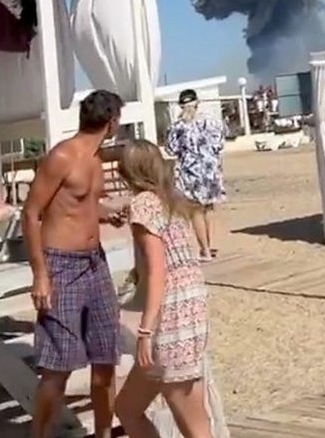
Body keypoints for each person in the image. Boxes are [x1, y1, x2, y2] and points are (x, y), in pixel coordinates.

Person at [22, 89, 126, 438]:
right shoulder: (63, 157)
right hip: (61, 267)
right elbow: (32, 213)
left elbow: (79, 207)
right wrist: (40, 274)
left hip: (95, 266)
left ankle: (103, 434)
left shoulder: (95, 161)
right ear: (112, 123)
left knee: (105, 359)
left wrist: (107, 214)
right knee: (58, 366)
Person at [113, 139, 221, 438]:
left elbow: (158, 268)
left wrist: (145, 331)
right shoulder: (167, 198)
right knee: (128, 408)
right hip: (191, 296)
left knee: (192, 423)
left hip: (173, 306)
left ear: (127, 172)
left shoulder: (143, 205)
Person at [165, 89, 225, 259]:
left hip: (190, 172)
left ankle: (205, 250)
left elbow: (171, 149)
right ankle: (208, 246)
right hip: (210, 171)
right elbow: (219, 144)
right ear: (197, 103)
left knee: (195, 212)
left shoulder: (177, 127)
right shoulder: (211, 122)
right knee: (205, 210)